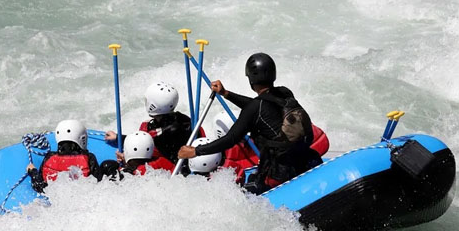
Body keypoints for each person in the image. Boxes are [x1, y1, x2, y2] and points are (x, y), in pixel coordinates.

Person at [178, 52, 322, 194]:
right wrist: (226, 94)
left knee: (250, 188)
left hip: (281, 173)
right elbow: (259, 106)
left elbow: (230, 139)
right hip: (306, 158)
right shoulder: (284, 92)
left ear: (251, 80)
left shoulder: (255, 108)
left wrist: (196, 151)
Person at [105, 81, 203, 165]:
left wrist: (125, 155)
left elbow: (143, 145)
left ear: (152, 105)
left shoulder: (162, 133)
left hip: (174, 168)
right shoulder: (184, 119)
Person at [27, 120, 103, 193]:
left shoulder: (49, 158)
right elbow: (98, 183)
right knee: (108, 164)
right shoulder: (89, 158)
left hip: (58, 199)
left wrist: (32, 171)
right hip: (84, 197)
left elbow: (39, 186)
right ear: (82, 138)